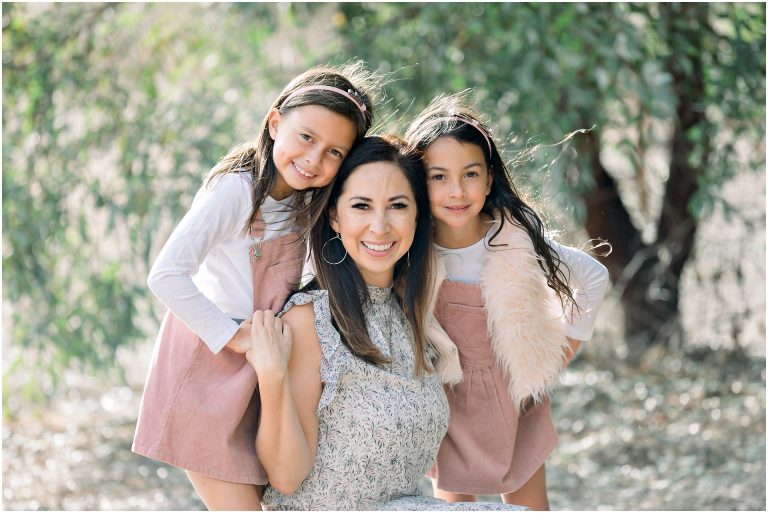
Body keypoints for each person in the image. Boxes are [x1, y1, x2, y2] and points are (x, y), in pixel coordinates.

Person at [132, 63, 376, 510]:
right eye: (306, 137)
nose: (314, 159)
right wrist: (235, 336)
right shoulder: (236, 192)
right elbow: (165, 274)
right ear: (275, 121)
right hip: (207, 375)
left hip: (260, 372)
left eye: (334, 152)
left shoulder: (307, 201)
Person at [245, 136, 526, 511]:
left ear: (416, 216)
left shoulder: (410, 313)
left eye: (397, 206)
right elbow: (286, 477)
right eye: (361, 206)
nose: (380, 226)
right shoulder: (309, 320)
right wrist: (272, 376)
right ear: (334, 216)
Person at [404, 93, 611, 510]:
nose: (456, 191)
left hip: (515, 397)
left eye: (470, 174)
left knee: (530, 505)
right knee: (456, 504)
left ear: (490, 177)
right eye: (438, 177)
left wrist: (555, 354)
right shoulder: (411, 248)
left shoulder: (513, 239)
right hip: (448, 400)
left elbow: (594, 276)